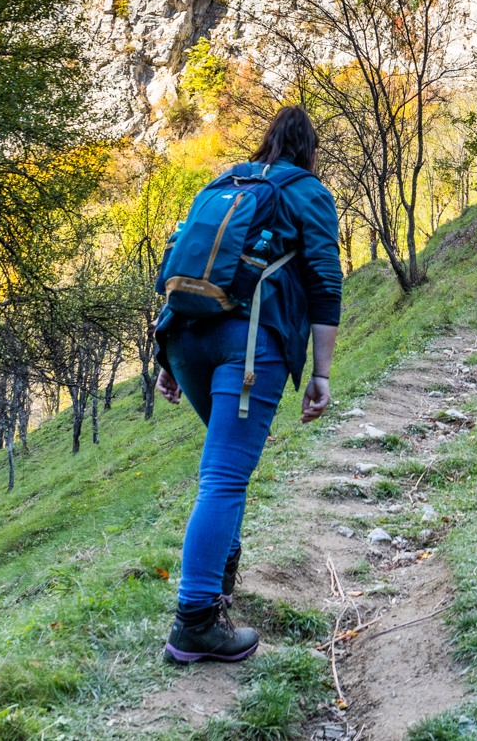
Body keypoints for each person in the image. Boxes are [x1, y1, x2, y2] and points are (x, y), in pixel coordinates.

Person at [155, 105, 341, 664]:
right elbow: (325, 281)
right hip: (250, 343)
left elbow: (181, 263)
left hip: (186, 338)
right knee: (224, 479)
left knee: (225, 471)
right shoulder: (308, 191)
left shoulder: (223, 180)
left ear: (266, 143)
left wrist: (167, 357)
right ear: (309, 151)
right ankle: (194, 622)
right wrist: (321, 373)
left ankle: (219, 586)